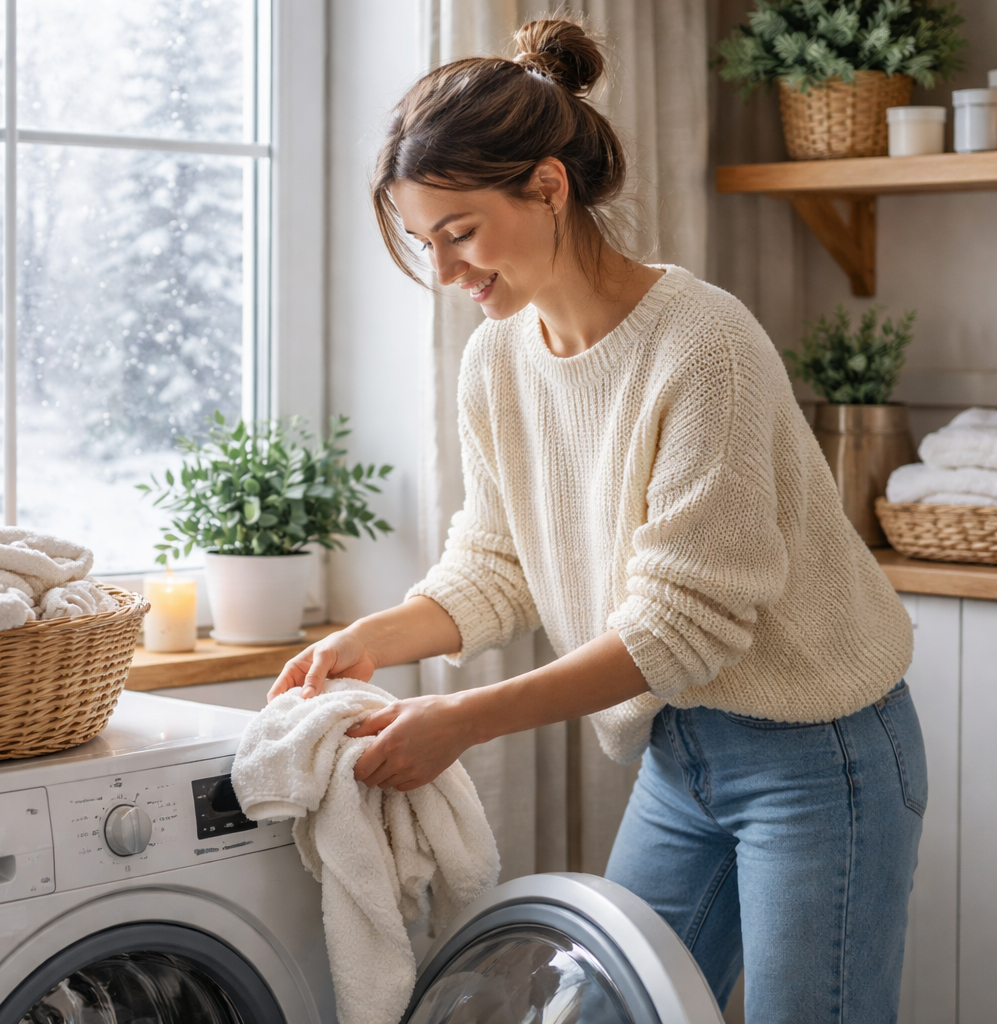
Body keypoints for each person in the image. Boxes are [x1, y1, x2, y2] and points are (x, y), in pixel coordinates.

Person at [269, 17, 925, 1022]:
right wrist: (370, 636)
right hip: (679, 752)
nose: (445, 271)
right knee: (597, 1011)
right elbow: (497, 563)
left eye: (460, 232)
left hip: (818, 751)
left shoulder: (701, 346)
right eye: (423, 243)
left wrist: (463, 720)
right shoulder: (497, 360)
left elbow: (682, 626)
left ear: (547, 185)